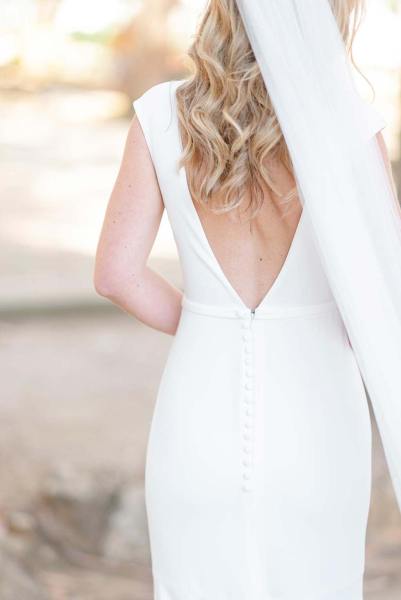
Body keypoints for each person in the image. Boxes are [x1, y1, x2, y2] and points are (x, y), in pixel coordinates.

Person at [94, 1, 398, 598]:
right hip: (319, 419)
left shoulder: (160, 116)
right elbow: (385, 291)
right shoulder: (346, 124)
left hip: (197, 408)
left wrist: (207, 322)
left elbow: (116, 275)